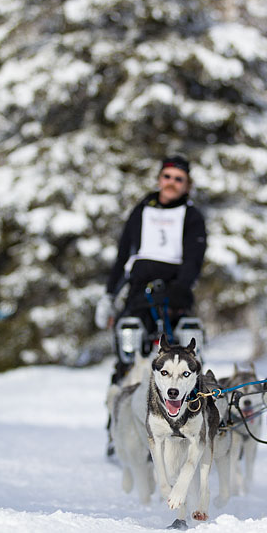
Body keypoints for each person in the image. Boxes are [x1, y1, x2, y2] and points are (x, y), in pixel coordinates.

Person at [94, 154, 207, 385]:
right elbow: (123, 256)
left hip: (175, 294)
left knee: (185, 355)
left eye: (178, 179)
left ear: (187, 185)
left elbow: (194, 259)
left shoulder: (192, 216)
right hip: (139, 292)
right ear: (159, 179)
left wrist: (180, 288)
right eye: (167, 176)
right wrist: (109, 295)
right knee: (129, 347)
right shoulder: (141, 211)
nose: (171, 182)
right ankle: (122, 398)